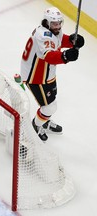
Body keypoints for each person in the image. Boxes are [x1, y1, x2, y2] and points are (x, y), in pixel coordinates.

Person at [20, 7, 84, 141]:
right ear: (47, 22)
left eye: (60, 23)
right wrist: (65, 56)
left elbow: (59, 40)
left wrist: (72, 40)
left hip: (47, 73)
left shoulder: (53, 30)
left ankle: (43, 120)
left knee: (50, 101)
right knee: (49, 107)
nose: (58, 26)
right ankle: (35, 127)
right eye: (55, 23)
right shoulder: (43, 35)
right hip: (35, 77)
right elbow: (49, 56)